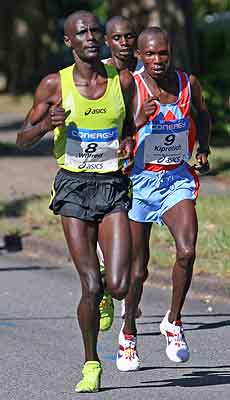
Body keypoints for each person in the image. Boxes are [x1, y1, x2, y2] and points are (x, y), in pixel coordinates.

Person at [16, 10, 136, 393]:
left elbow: (130, 126)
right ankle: (91, 362)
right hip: (73, 187)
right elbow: (22, 138)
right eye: (80, 32)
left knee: (117, 285)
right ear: (68, 42)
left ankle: (105, 295)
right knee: (89, 283)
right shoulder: (55, 85)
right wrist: (46, 125)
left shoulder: (123, 80)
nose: (90, 37)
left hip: (112, 185)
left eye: (94, 31)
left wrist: (130, 141)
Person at [116, 27, 211, 372]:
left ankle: (174, 322)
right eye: (151, 55)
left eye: (164, 53)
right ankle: (128, 334)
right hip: (140, 184)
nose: (158, 61)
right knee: (138, 271)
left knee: (187, 252)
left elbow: (202, 113)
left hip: (176, 180)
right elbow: (118, 130)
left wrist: (204, 148)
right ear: (140, 56)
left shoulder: (189, 84)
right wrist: (137, 122)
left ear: (172, 52)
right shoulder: (131, 86)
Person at [98, 16, 143, 331]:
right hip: (108, 171)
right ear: (107, 41)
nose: (125, 43)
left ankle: (127, 299)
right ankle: (106, 289)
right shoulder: (99, 72)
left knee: (136, 249)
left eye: (130, 37)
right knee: (114, 249)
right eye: (118, 38)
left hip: (146, 169)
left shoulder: (150, 69)